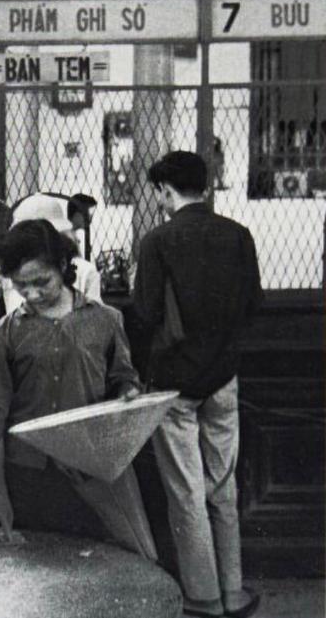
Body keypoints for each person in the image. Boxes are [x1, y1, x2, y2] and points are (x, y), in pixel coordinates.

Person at [0, 218, 157, 559]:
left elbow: (124, 378)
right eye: (21, 286)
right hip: (29, 475)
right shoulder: (3, 334)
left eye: (42, 282)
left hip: (94, 472)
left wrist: (128, 394)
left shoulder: (105, 320)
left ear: (63, 266)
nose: (32, 294)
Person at [130, 151, 263, 618]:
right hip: (224, 378)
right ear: (205, 186)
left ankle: (203, 599)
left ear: (166, 190)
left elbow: (145, 314)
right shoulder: (239, 236)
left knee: (186, 493)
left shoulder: (157, 241)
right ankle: (233, 591)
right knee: (222, 486)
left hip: (174, 386)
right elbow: (253, 306)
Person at [0, 193, 103, 315]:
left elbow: (97, 318)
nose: (33, 296)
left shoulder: (85, 271)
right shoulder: (14, 269)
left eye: (42, 282)